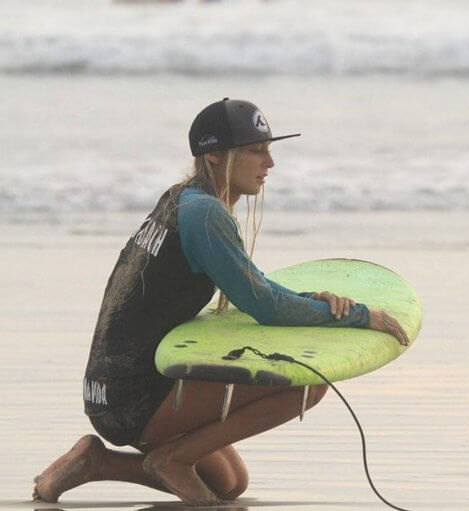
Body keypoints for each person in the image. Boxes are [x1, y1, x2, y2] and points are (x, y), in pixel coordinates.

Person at [33, 98, 409, 506]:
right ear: (213, 155)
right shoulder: (205, 215)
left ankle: (96, 463)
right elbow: (264, 306)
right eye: (256, 150)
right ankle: (172, 460)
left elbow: (253, 287)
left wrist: (309, 300)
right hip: (136, 396)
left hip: (105, 392)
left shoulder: (183, 199)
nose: (270, 162)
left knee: (228, 484)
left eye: (268, 149)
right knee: (308, 385)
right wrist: (357, 316)